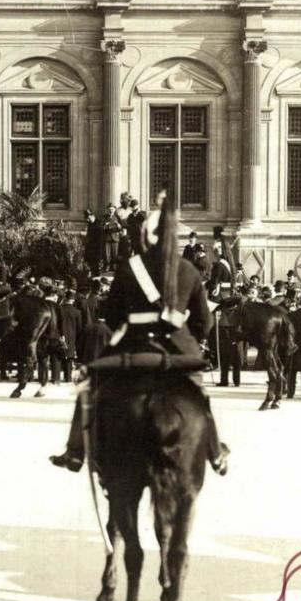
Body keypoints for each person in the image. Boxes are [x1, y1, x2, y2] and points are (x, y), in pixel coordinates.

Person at [49, 198, 228, 475]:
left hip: (135, 346)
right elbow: (203, 322)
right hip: (177, 350)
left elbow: (113, 315)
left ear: (144, 237)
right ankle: (215, 453)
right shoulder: (189, 270)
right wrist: (186, 339)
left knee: (88, 385)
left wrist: (133, 330)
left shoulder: (129, 268)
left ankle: (75, 452)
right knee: (199, 397)